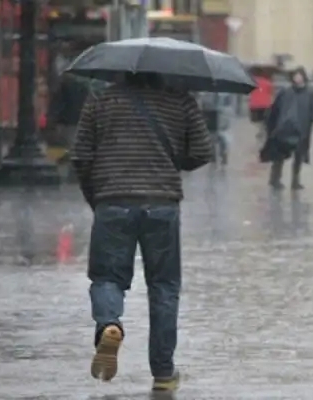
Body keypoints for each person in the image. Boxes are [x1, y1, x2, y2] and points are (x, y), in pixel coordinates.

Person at [70, 72, 213, 392]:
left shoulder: (101, 100)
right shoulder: (181, 100)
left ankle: (109, 324)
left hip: (113, 201)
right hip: (162, 203)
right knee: (164, 286)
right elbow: (203, 151)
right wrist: (172, 158)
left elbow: (80, 155)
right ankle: (163, 372)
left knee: (107, 277)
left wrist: (97, 195)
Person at [262, 67, 313, 190]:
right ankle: (275, 179)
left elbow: (311, 110)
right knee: (280, 155)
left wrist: (310, 123)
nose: (297, 78)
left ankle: (295, 181)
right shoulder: (285, 92)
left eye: (299, 75)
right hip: (285, 128)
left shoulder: (310, 93)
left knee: (299, 156)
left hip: (301, 129)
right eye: (295, 76)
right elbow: (276, 109)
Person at [249, 74, 274, 140]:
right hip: (265, 104)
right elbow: (271, 93)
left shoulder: (252, 82)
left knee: (256, 121)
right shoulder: (268, 83)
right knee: (264, 120)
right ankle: (262, 130)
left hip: (254, 105)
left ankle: (259, 131)